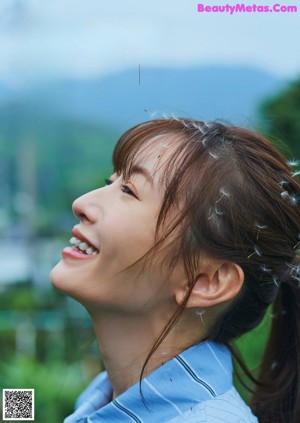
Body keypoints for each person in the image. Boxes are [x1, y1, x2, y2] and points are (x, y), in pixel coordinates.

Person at [50, 117, 300, 423]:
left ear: (206, 281)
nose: (81, 203)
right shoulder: (100, 397)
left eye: (129, 191)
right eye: (109, 182)